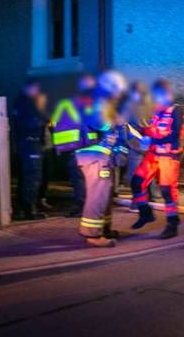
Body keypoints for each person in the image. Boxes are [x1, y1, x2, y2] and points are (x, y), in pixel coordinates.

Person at [75, 70, 128, 247]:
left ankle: (104, 229)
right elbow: (98, 122)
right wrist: (116, 120)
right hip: (94, 156)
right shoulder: (99, 101)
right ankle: (93, 235)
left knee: (105, 194)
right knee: (97, 195)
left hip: (100, 156)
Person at [130, 79, 184, 239]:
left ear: (167, 94)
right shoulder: (158, 109)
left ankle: (172, 224)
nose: (156, 99)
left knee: (167, 191)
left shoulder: (177, 111)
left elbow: (174, 135)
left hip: (169, 156)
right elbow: (154, 130)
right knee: (136, 182)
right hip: (153, 155)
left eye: (158, 96)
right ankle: (145, 213)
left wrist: (151, 141)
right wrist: (140, 130)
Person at [50, 74, 95, 217]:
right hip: (91, 145)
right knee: (91, 179)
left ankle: (82, 207)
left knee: (79, 179)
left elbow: (53, 124)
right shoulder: (93, 103)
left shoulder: (65, 103)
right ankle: (91, 207)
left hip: (73, 147)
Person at [11, 78, 50, 220]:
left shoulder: (22, 102)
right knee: (32, 177)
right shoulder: (26, 103)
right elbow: (30, 124)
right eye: (37, 88)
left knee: (26, 177)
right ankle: (30, 210)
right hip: (30, 143)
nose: (38, 92)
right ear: (30, 88)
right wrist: (44, 119)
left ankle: (22, 208)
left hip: (27, 143)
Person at [121, 81, 158, 202]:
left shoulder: (130, 106)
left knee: (135, 173)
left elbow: (125, 125)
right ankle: (152, 196)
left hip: (136, 143)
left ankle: (137, 200)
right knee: (149, 170)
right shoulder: (152, 104)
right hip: (151, 143)